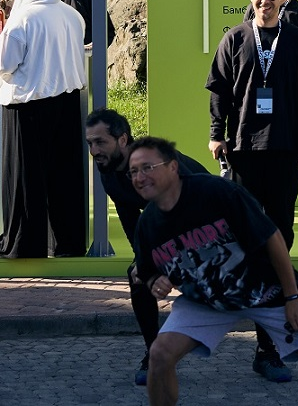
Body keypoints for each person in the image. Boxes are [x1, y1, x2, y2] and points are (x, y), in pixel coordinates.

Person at [128, 136, 298, 406]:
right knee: (160, 355)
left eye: (147, 167)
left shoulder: (217, 192)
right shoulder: (148, 224)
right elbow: (144, 270)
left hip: (269, 293)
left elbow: (272, 238)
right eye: (133, 171)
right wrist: (154, 281)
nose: (139, 177)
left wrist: (292, 297)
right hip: (206, 302)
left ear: (173, 167)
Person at [209, 0, 298, 383]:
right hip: (243, 152)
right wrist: (216, 135)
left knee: (280, 239)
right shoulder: (235, 38)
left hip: (285, 151)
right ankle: (256, 329)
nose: (265, 1)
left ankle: (269, 342)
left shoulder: (297, 41)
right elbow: (219, 91)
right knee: (248, 241)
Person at [84, 108, 209, 387]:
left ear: (123, 140)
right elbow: (132, 222)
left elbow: (192, 209)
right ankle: (155, 355)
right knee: (138, 274)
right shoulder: (109, 172)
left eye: (101, 142)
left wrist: (174, 260)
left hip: (210, 227)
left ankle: (267, 351)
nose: (94, 151)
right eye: (90, 143)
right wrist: (147, 264)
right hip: (175, 232)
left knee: (251, 283)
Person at [0, 0, 87, 259]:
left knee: (24, 176)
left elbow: (3, 64)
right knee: (64, 175)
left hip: (27, 105)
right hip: (67, 102)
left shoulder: (22, 19)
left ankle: (23, 245)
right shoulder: (72, 15)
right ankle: (67, 243)